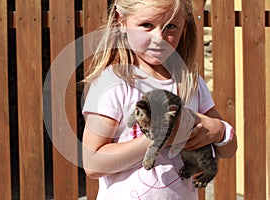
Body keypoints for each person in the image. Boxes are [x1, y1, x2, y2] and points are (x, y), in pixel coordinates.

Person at [81, 0, 237, 199]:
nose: (159, 37)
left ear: (184, 27)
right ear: (121, 22)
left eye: (171, 26)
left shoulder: (190, 82)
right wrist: (159, 139)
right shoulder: (112, 84)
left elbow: (230, 149)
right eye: (147, 25)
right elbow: (93, 163)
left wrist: (218, 130)